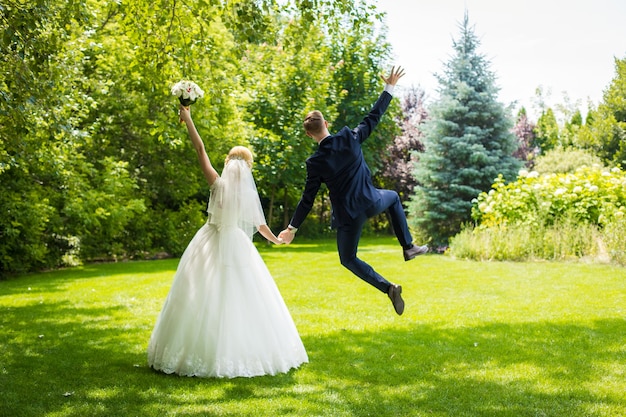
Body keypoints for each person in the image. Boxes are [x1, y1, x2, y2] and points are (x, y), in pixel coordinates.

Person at [147, 105, 308, 378]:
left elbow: (199, 149)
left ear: (227, 163)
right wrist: (277, 241)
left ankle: (194, 351)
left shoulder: (217, 184)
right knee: (242, 295)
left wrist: (188, 119)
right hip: (236, 243)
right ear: (248, 168)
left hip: (208, 241)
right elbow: (261, 226)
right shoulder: (246, 196)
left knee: (199, 293)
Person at [278, 66, 428, 316]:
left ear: (308, 134)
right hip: (373, 201)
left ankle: (388, 288)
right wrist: (389, 88)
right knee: (393, 197)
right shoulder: (350, 137)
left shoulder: (314, 163)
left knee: (348, 259)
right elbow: (373, 117)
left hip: (349, 217)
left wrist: (292, 229)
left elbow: (307, 200)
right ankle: (408, 246)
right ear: (326, 123)